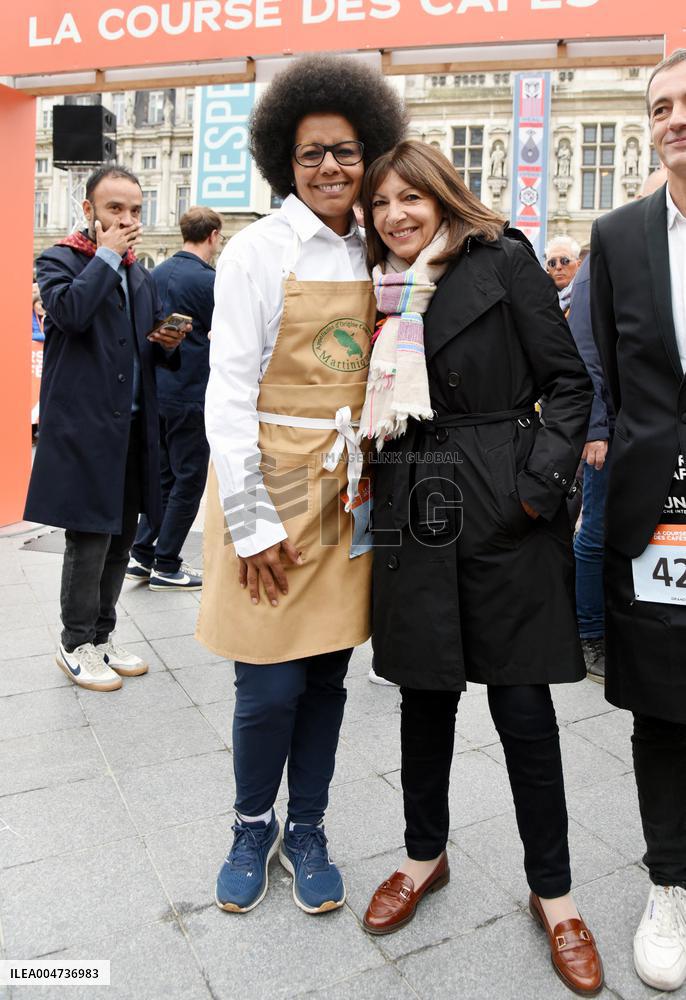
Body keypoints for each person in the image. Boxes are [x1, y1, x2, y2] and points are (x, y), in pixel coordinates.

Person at [358, 141, 603, 997]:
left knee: (524, 711)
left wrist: (533, 488)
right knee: (424, 700)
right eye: (380, 203)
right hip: (411, 505)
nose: (394, 215)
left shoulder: (504, 259)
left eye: (408, 198)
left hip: (501, 508)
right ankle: (424, 858)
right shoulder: (375, 284)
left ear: (441, 195)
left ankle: (557, 895)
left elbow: (570, 383)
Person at [196, 55, 406, 916]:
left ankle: (308, 826)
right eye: (313, 153)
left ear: (371, 155)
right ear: (286, 157)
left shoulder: (381, 246)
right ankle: (252, 824)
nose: (331, 168)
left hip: (345, 492)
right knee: (268, 685)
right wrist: (249, 525)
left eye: (347, 152)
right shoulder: (257, 251)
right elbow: (228, 392)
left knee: (325, 680)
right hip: (269, 493)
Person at [590, 49, 686, 992]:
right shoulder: (619, 236)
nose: (676, 118)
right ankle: (670, 882)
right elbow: (619, 384)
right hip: (660, 509)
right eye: (662, 105)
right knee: (663, 703)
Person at [24, 165, 188, 692]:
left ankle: (101, 635)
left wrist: (166, 343)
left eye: (136, 210)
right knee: (89, 539)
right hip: (84, 430)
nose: (127, 219)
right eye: (115, 208)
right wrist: (110, 255)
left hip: (133, 429)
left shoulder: (141, 274)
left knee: (121, 538)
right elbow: (69, 313)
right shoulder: (58, 260)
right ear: (89, 211)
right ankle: (74, 644)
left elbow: (145, 346)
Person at [127, 206, 223, 590]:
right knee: (189, 478)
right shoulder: (209, 281)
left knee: (163, 477)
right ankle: (166, 563)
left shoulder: (157, 272)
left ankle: (142, 553)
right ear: (214, 235)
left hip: (156, 391)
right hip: (191, 392)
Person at [567, 257, 613, 681]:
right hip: (614, 427)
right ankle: (589, 635)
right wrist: (596, 426)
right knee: (595, 530)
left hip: (657, 425)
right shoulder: (605, 252)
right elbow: (585, 348)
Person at [545, 234, 581, 314]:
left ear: (578, 264)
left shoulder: (589, 294)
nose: (558, 267)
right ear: (547, 267)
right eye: (552, 263)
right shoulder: (538, 297)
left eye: (565, 261)